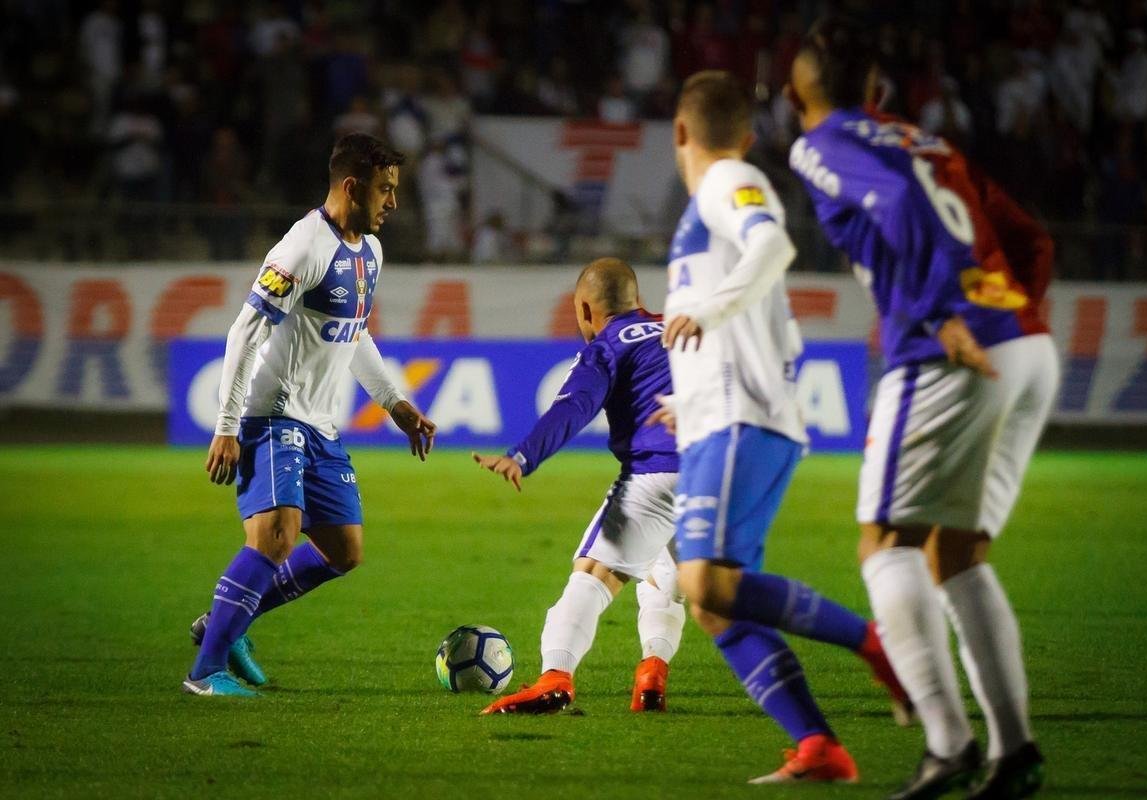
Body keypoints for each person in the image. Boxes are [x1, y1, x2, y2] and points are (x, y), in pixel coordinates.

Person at [786, 17, 1057, 800]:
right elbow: (1029, 238)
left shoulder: (820, 141)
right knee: (955, 553)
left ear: (800, 97)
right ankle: (1014, 752)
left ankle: (948, 744)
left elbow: (897, 201)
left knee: (885, 545)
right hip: (1025, 342)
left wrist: (943, 315)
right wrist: (1013, 317)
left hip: (945, 347)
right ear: (876, 90)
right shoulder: (927, 141)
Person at [650, 70, 906, 785]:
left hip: (741, 420)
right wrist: (691, 395)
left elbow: (772, 246)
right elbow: (778, 332)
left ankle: (877, 642)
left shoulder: (728, 179)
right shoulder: (705, 207)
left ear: (679, 132)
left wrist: (709, 313)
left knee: (705, 581)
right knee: (709, 603)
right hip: (717, 416)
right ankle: (819, 747)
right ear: (747, 130)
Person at [185, 133, 438, 697]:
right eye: (385, 189)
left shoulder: (369, 251)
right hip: (274, 417)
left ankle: (228, 625)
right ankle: (205, 673)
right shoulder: (302, 247)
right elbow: (244, 332)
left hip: (321, 426)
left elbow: (354, 334)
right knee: (277, 536)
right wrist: (227, 426)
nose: (393, 202)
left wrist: (394, 403)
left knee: (343, 551)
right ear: (352, 186)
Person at [472, 258, 686, 715]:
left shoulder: (607, 346)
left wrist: (523, 456)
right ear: (639, 300)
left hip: (659, 472)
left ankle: (555, 679)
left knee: (593, 572)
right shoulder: (679, 325)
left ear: (585, 310)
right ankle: (652, 673)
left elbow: (575, 406)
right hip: (722, 472)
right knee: (663, 572)